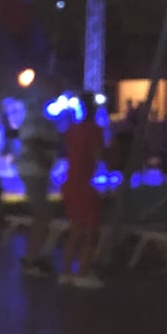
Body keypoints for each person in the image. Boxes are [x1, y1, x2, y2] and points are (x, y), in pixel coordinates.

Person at [59, 96, 106, 289]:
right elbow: (98, 155)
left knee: (76, 229)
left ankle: (66, 271)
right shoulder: (95, 130)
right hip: (84, 184)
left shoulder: (72, 129)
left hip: (70, 182)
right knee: (91, 231)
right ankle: (83, 272)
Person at [16, 86, 61, 276]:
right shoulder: (35, 117)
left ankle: (38, 255)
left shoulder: (44, 118)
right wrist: (43, 161)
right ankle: (31, 259)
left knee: (44, 214)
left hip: (38, 171)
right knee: (41, 215)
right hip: (35, 170)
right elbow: (32, 142)